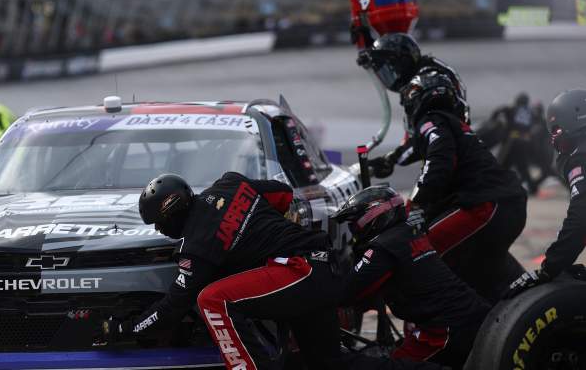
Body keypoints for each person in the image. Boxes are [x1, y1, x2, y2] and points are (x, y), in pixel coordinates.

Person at [98, 172, 444, 370]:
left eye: (159, 224)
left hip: (301, 270)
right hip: (321, 268)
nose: (160, 232)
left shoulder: (197, 245)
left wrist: (126, 327)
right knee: (328, 365)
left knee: (212, 299)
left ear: (171, 214)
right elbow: (282, 194)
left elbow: (173, 308)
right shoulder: (229, 184)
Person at [398, 71, 527, 303]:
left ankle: (430, 334)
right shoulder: (454, 124)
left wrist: (413, 205)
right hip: (507, 204)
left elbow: (439, 164)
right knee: (477, 271)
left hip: (487, 205)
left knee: (417, 252)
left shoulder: (432, 120)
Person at [334, 186, 491, 369]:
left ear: (373, 217)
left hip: (443, 330)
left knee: (392, 365)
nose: (353, 230)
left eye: (354, 224)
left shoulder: (382, 249)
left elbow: (345, 293)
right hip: (472, 314)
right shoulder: (409, 232)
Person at [504, 89, 586, 298]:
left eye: (557, 131)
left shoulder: (580, 158)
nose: (554, 140)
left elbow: (581, 219)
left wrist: (551, 267)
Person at [356, 33, 469, 178]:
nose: (386, 76)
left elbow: (431, 135)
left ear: (401, 64)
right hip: (452, 165)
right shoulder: (429, 73)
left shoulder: (429, 85)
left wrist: (392, 159)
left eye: (388, 69)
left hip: (457, 174)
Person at [490, 93, 536, 193]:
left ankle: (496, 185)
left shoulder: (511, 109)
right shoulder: (529, 112)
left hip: (510, 143)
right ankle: (532, 188)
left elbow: (496, 113)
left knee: (502, 165)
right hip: (523, 143)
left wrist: (495, 121)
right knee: (523, 168)